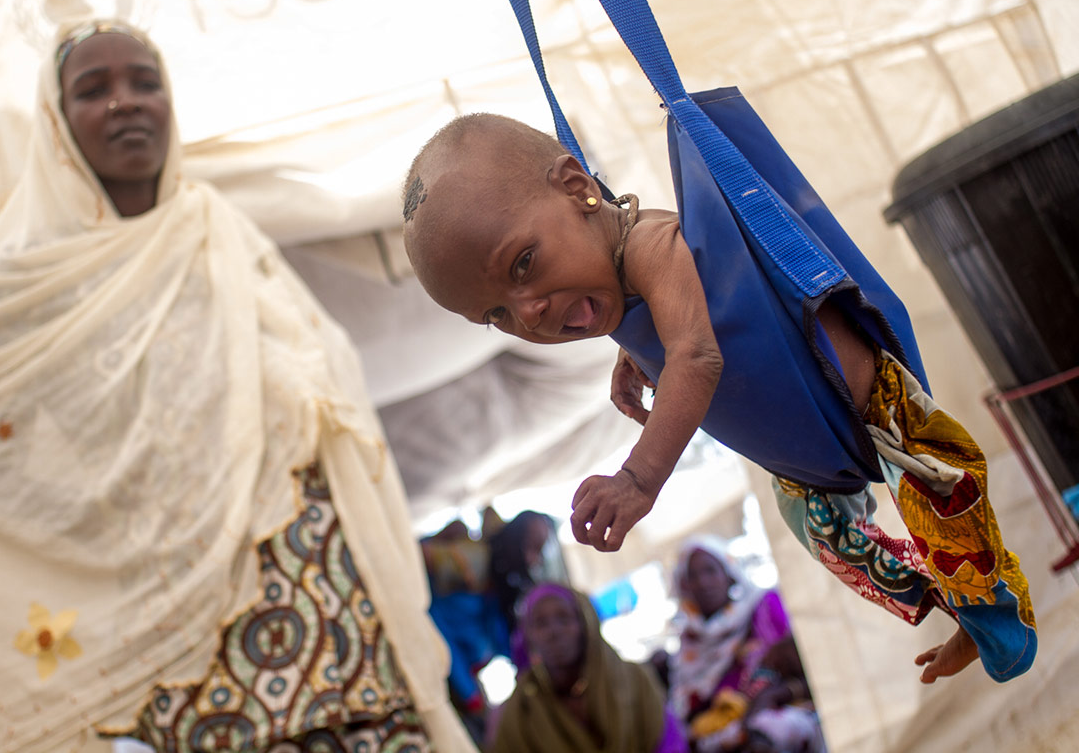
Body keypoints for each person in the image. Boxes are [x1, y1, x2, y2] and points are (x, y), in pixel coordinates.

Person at [0, 21, 474, 753]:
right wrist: (81, 517)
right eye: (93, 90)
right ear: (57, 126)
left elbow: (322, 369)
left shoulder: (216, 228)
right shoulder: (25, 279)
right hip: (188, 627)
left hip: (332, 590)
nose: (126, 102)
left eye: (145, 82)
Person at [399, 112, 1036, 686]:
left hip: (877, 408)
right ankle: (948, 603)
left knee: (949, 501)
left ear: (577, 189)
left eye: (523, 265)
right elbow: (665, 323)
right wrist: (630, 352)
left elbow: (697, 354)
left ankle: (998, 618)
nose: (529, 312)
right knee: (832, 538)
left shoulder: (651, 245)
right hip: (805, 456)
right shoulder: (610, 271)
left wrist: (637, 480)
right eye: (497, 316)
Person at [419, 509, 564, 742]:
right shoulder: (478, 561)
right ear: (513, 540)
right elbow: (433, 623)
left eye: (539, 552)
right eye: (531, 548)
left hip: (461, 675)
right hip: (438, 669)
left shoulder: (504, 587)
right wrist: (468, 691)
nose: (533, 560)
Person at [668, 536, 824, 753]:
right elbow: (685, 712)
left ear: (729, 575)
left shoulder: (765, 608)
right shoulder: (689, 642)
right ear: (684, 585)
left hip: (780, 718)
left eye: (710, 571)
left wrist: (771, 698)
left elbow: (813, 672)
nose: (703, 582)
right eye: (692, 576)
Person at [490, 583, 687, 753]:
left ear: (586, 624)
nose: (554, 632)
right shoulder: (520, 711)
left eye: (564, 618)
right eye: (541, 623)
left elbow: (668, 742)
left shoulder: (633, 680)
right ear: (529, 636)